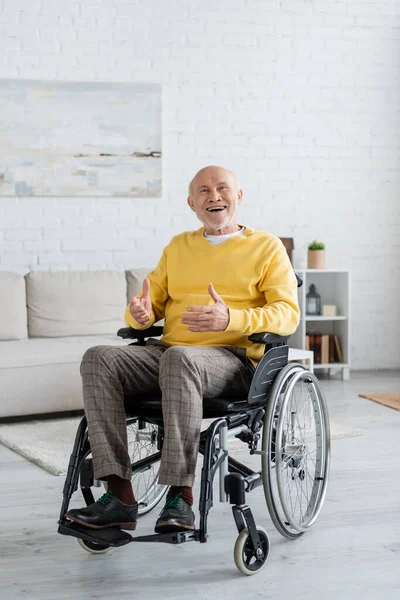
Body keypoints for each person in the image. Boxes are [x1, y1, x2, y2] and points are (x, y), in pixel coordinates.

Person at [65, 165, 300, 534]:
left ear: (238, 197)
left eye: (223, 188)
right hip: (171, 352)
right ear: (192, 203)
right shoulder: (178, 247)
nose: (214, 196)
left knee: (179, 358)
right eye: (204, 191)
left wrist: (231, 319)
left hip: (232, 360)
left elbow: (287, 315)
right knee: (98, 357)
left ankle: (181, 495)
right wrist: (140, 314)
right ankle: (119, 494)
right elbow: (145, 306)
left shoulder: (266, 247)